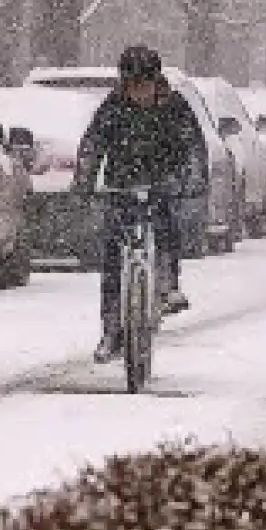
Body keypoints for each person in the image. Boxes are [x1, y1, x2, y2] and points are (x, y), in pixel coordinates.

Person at [72, 45, 209, 363]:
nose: (139, 93)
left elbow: (193, 147)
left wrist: (192, 179)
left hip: (163, 181)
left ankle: (167, 283)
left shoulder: (175, 107)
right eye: (132, 86)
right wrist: (85, 182)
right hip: (123, 183)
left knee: (166, 226)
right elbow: (92, 145)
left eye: (144, 85)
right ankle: (111, 329)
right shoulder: (112, 107)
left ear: (156, 82)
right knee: (112, 254)